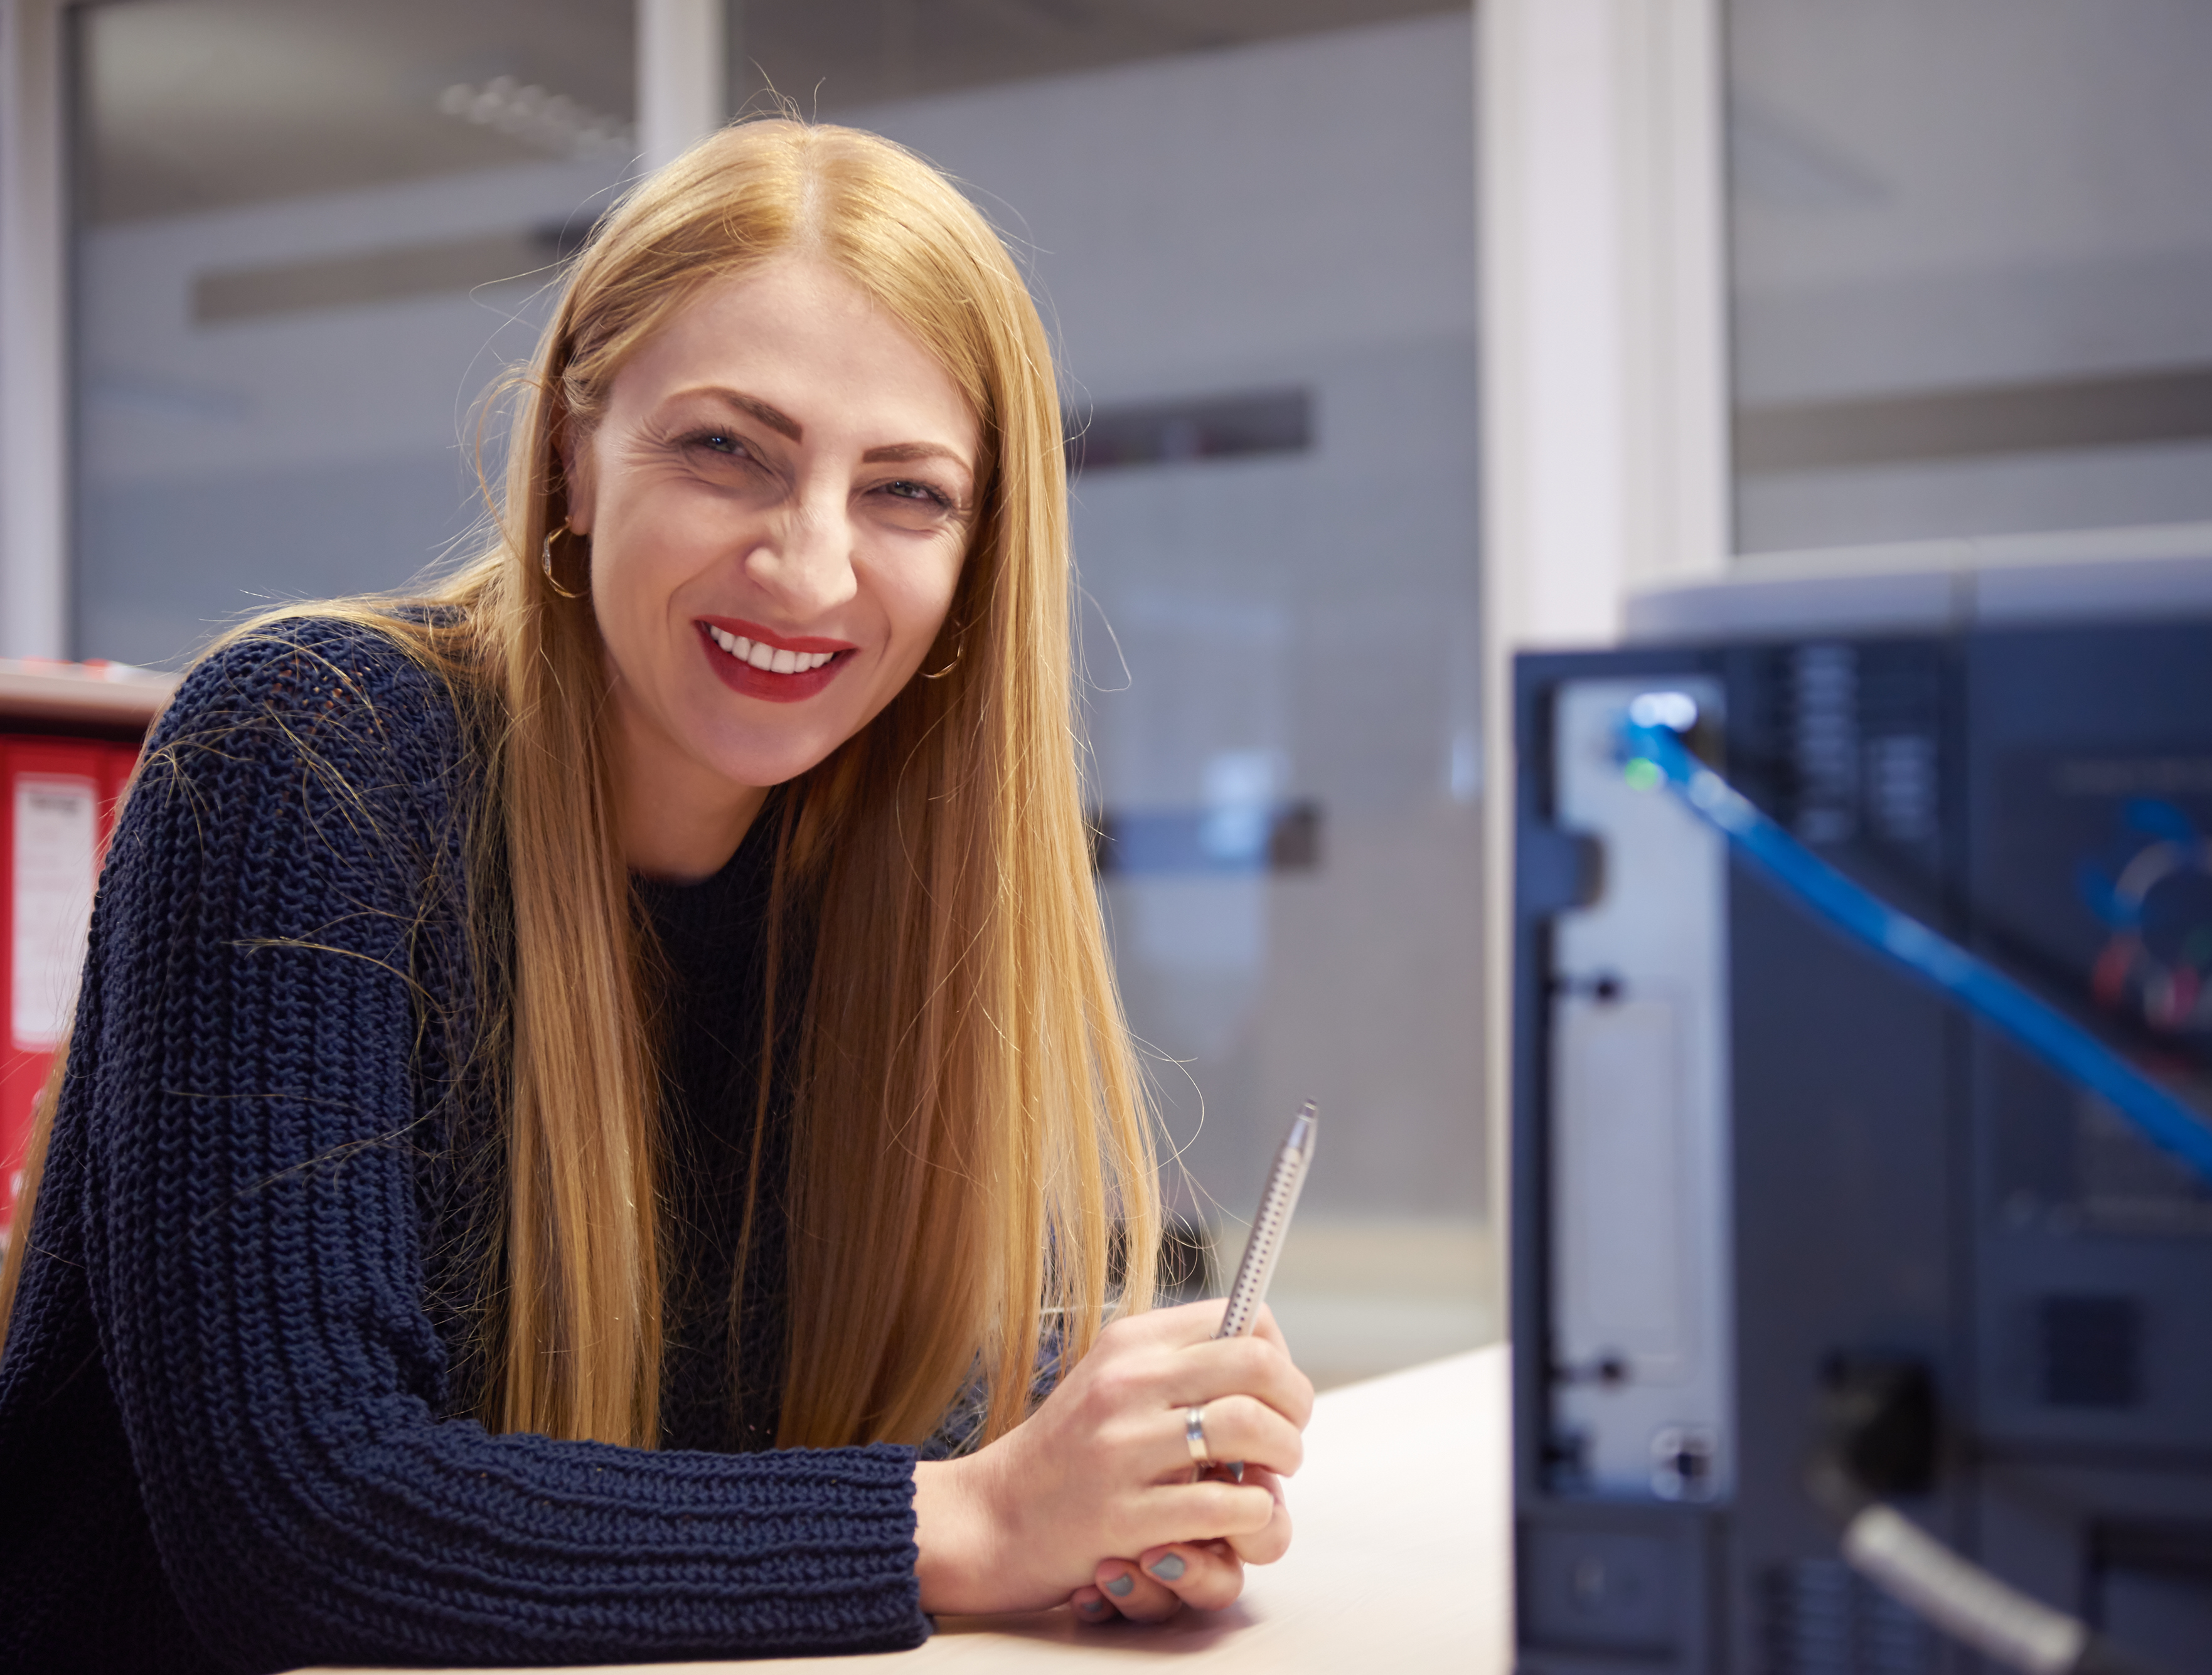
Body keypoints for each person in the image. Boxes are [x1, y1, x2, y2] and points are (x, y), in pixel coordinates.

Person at [0, 119, 1312, 1671]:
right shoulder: (309, 751)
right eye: (726, 450)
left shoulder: (885, 863)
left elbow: (820, 1423)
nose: (811, 568)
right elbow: (308, 1524)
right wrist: (967, 1523)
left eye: (906, 493)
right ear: (570, 453)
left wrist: (1096, 1479)